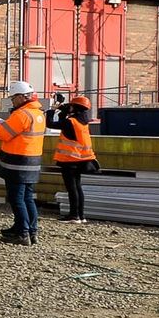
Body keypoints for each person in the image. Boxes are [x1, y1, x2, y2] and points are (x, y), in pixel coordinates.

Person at [0, 80, 47, 245]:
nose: (12, 100)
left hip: (18, 161)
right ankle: (30, 230)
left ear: (22, 97)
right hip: (32, 160)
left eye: (13, 97)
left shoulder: (22, 114)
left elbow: (4, 133)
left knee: (17, 198)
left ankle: (22, 233)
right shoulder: (38, 113)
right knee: (27, 197)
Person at [54, 93, 97, 223]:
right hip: (81, 160)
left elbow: (51, 124)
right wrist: (64, 111)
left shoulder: (71, 122)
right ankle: (81, 215)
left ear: (75, 108)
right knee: (77, 187)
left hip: (69, 160)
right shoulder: (83, 121)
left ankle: (74, 215)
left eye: (71, 105)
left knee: (72, 188)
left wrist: (52, 110)